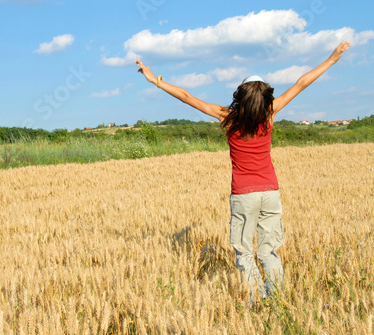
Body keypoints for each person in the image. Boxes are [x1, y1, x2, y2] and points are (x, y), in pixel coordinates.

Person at [135, 41, 352, 305]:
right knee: (268, 250)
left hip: (243, 194)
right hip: (271, 192)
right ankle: (277, 299)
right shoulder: (270, 114)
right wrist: (332, 59)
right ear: (265, 97)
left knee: (244, 252)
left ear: (241, 95)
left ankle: (255, 301)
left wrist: (153, 80)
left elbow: (186, 97)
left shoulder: (227, 116)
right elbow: (301, 83)